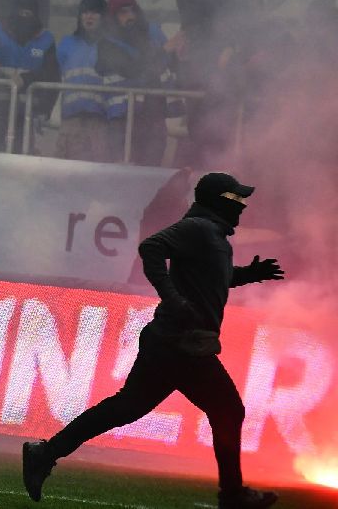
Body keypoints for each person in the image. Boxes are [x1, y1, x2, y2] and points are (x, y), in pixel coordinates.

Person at [23, 172, 284, 509]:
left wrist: (248, 275)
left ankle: (45, 453)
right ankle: (232, 495)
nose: (242, 206)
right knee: (228, 410)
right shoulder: (199, 228)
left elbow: (210, 278)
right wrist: (173, 299)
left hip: (173, 343)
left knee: (127, 407)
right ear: (218, 201)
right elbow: (151, 247)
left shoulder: (212, 235)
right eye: (236, 199)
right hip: (181, 344)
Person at [160, 0, 249, 167]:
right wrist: (185, 36)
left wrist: (230, 46)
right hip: (198, 55)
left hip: (220, 53)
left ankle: (219, 168)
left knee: (217, 113)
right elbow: (192, 17)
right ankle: (199, 166)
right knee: (196, 114)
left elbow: (235, 11)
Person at [0, 0, 57, 152]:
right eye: (20, 13)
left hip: (26, 112)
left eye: (28, 14)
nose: (24, 18)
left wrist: (45, 110)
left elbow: (51, 75)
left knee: (21, 157)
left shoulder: (46, 40)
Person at [101, 0, 171, 164]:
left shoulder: (154, 32)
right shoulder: (107, 44)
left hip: (154, 116)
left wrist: (181, 56)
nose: (130, 16)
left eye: (132, 10)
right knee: (122, 173)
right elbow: (131, 69)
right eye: (123, 12)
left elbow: (171, 63)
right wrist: (163, 51)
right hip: (122, 120)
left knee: (151, 172)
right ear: (113, 16)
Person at [54, 0, 119, 162]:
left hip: (101, 122)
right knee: (66, 170)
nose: (89, 16)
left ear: (103, 16)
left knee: (98, 171)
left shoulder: (112, 46)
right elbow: (55, 78)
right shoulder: (66, 44)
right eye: (85, 12)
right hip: (71, 120)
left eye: (94, 12)